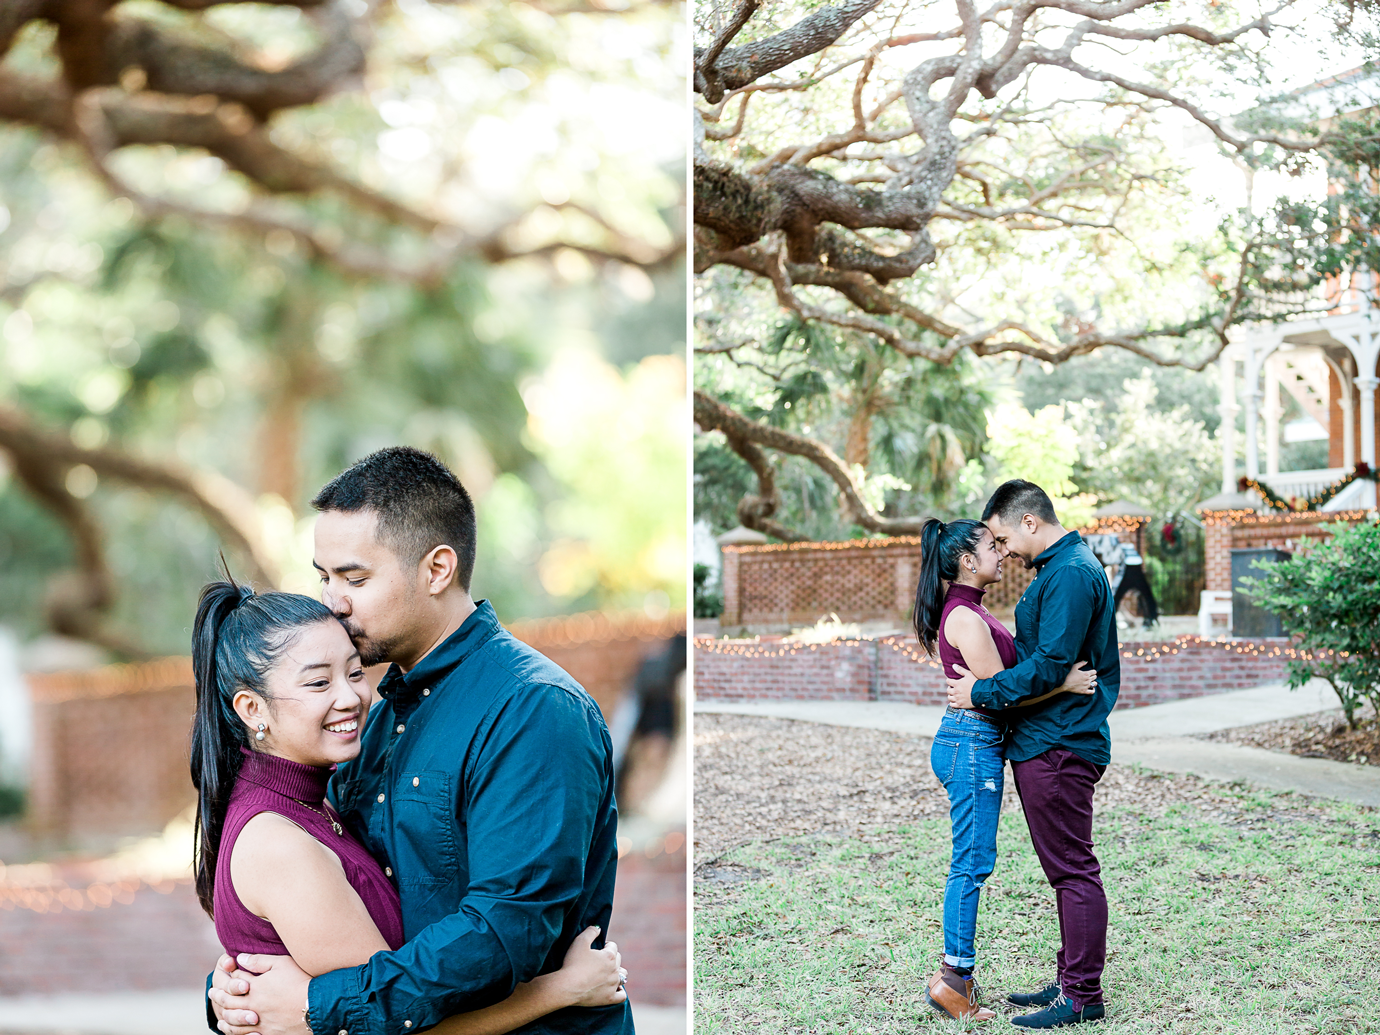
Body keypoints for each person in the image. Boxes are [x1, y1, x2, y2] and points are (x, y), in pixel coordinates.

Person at [208, 447, 633, 1035]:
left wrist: (317, 1005)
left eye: (354, 577)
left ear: (436, 570)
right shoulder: (375, 721)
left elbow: (501, 934)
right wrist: (238, 986)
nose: (333, 600)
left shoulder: (533, 711)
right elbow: (332, 895)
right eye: (323, 576)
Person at [946, 480, 1121, 1029]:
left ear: (1027, 521)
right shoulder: (1057, 569)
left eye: (1000, 536)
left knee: (1072, 871)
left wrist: (979, 692)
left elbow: (1048, 665)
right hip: (1048, 739)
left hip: (1060, 743)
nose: (1001, 550)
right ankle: (1073, 974)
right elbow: (1045, 662)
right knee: (1065, 869)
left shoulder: (1069, 572)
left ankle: (1082, 996)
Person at [913, 517, 1097, 1023]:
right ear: (967, 561)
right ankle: (954, 980)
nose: (1001, 552)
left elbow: (1001, 683)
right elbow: (1005, 691)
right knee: (971, 862)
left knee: (974, 859)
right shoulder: (965, 617)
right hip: (971, 744)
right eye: (991, 546)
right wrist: (1063, 685)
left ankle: (956, 975)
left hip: (977, 741)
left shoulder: (971, 609)